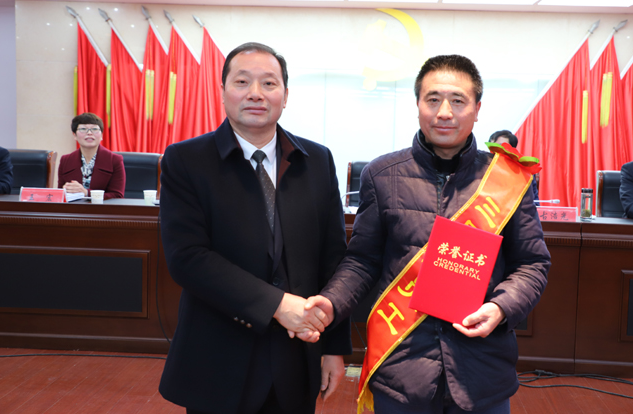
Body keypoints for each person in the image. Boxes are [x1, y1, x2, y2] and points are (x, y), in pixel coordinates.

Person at [305, 55, 551, 413]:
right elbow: (362, 261)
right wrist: (332, 302)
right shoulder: (382, 175)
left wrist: (501, 307)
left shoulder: (507, 181)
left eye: (458, 101)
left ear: (477, 109)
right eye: (433, 99)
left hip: (481, 369)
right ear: (418, 104)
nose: (444, 112)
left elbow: (532, 264)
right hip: (402, 366)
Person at [158, 42, 351, 414]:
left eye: (269, 83)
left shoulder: (317, 160)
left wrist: (334, 348)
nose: (256, 93)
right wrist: (277, 305)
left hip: (297, 355)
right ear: (222, 91)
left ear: (285, 95)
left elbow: (333, 260)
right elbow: (187, 258)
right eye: (242, 81)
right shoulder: (186, 160)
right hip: (219, 356)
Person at [58, 113, 125, 200]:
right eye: (83, 129)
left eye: (94, 129)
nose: (89, 133)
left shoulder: (114, 160)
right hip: (74, 207)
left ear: (101, 135)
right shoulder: (65, 160)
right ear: (74, 135)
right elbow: (60, 194)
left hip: (102, 208)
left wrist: (86, 193)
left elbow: (117, 196)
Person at [488, 130, 539, 203]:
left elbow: (534, 203)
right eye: (492, 147)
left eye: (501, 146)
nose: (495, 150)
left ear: (512, 150)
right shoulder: (483, 169)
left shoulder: (525, 173)